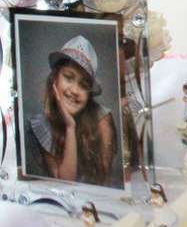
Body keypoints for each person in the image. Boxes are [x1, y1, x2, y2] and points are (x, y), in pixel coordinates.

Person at [25, 36, 118, 187]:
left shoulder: (102, 119)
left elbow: (103, 181)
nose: (74, 90)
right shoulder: (41, 124)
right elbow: (65, 183)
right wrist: (70, 126)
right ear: (55, 79)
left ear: (89, 94)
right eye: (68, 78)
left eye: (83, 85)